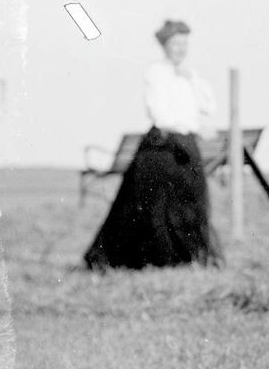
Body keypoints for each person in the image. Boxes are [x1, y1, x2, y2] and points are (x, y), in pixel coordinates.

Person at [84, 19, 222, 271]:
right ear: (165, 46)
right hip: (163, 147)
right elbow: (160, 115)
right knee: (155, 208)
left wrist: (192, 80)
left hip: (187, 146)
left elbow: (209, 107)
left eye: (184, 43)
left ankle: (185, 259)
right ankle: (155, 260)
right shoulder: (156, 73)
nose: (180, 49)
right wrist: (191, 126)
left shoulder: (191, 74)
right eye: (175, 43)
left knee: (191, 203)